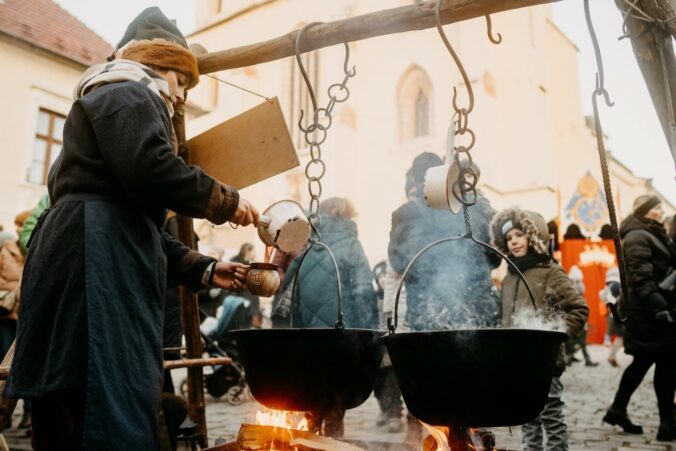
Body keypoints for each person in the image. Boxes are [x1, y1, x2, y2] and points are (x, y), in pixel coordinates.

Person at [4, 8, 259, 450]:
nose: (180, 97)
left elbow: (140, 221)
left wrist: (202, 268)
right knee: (100, 391)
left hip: (101, 242)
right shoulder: (128, 90)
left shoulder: (119, 98)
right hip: (94, 254)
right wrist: (224, 200)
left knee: (86, 395)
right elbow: (150, 168)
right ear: (158, 65)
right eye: (181, 82)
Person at [491, 208, 589, 451]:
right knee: (527, 416)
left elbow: (578, 309)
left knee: (551, 415)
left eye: (519, 235)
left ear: (533, 238)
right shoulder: (510, 277)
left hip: (544, 361)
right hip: (517, 362)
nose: (513, 241)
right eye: (509, 238)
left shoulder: (550, 272)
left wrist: (552, 337)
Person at [284, 197, 378, 438]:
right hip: (342, 336)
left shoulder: (305, 246)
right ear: (346, 216)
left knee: (313, 391)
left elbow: (287, 287)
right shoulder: (351, 245)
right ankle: (333, 440)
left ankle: (310, 436)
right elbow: (364, 290)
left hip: (308, 335)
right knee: (336, 396)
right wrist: (371, 333)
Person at [388, 152, 499, 332]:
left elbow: (398, 264)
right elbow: (495, 257)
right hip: (474, 308)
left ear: (415, 182)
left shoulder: (403, 215)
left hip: (426, 311)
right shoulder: (472, 206)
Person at [603, 195, 676, 442]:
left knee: (643, 362)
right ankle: (667, 424)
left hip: (651, 309)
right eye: (655, 208)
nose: (659, 211)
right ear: (643, 211)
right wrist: (659, 309)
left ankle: (617, 410)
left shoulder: (653, 233)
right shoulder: (637, 236)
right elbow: (641, 278)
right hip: (648, 312)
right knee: (665, 363)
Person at [372, 260, 404, 433]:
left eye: (386, 275)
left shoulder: (395, 298)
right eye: (380, 277)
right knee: (377, 384)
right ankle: (384, 410)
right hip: (377, 348)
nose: (383, 279)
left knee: (392, 382)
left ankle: (395, 415)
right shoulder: (374, 297)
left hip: (390, 348)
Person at [564, 266, 598, 367]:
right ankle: (585, 359)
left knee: (577, 338)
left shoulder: (571, 286)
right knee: (580, 338)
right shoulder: (574, 287)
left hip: (576, 314)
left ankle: (571, 357)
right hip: (577, 315)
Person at [600, 267, 624, 367]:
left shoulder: (608, 286)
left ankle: (612, 355)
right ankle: (612, 356)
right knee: (621, 336)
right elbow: (619, 301)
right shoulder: (616, 285)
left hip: (611, 313)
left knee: (621, 336)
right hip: (616, 313)